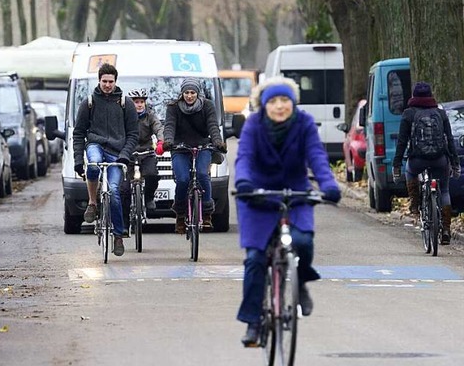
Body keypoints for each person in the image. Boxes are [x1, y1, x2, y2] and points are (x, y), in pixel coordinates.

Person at [234, 76, 341, 347]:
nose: (280, 106)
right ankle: (253, 322)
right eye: (273, 101)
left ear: (293, 103)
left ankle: (300, 281)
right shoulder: (253, 126)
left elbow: (316, 156)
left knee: (303, 242)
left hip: (296, 192)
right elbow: (244, 157)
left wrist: (328, 184)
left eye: (285, 101)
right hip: (257, 194)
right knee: (256, 259)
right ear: (264, 104)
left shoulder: (304, 123)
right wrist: (243, 182)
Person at [73, 63, 139, 256]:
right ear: (99, 81)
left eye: (111, 81)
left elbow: (133, 135)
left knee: (114, 193)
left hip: (117, 152)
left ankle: (118, 236)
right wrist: (78, 160)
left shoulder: (126, 104)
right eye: (104, 81)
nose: (108, 85)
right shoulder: (89, 102)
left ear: (116, 81)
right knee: (93, 165)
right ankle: (93, 203)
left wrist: (125, 156)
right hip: (95, 144)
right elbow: (78, 133)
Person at [392, 81, 460, 244]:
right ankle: (445, 229)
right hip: (440, 159)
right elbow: (449, 140)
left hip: (417, 160)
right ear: (430, 96)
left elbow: (402, 142)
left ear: (414, 96)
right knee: (444, 190)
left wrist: (396, 166)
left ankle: (415, 205)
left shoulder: (408, 114)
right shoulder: (440, 113)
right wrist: (455, 163)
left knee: (410, 172)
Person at [162, 77, 227, 233]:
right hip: (180, 147)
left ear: (197, 93)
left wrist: (218, 142)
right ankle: (180, 215)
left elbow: (213, 126)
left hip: (203, 145)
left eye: (192, 92)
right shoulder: (173, 107)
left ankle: (206, 214)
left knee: (203, 174)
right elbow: (169, 126)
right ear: (182, 93)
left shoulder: (207, 106)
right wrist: (168, 141)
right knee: (183, 179)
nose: (189, 96)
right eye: (186, 92)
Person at [119, 89, 165, 231]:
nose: (139, 105)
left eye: (141, 102)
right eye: (136, 102)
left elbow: (159, 128)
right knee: (124, 189)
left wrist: (161, 142)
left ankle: (149, 197)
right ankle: (125, 223)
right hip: (128, 154)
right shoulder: (124, 116)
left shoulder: (150, 116)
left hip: (146, 152)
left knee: (152, 175)